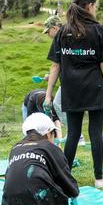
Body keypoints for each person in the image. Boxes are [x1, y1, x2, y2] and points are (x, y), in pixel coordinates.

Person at [2, 112, 103, 205]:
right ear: (48, 133)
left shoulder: (15, 148)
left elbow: (13, 176)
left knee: (28, 191)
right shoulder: (50, 147)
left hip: (11, 201)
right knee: (55, 204)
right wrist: (73, 192)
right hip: (39, 196)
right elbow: (63, 176)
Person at [45, 0, 103, 189]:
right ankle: (99, 178)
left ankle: (64, 178)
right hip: (95, 90)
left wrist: (49, 94)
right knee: (96, 133)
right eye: (95, 5)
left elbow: (55, 66)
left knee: (74, 134)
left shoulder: (62, 33)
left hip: (72, 91)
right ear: (89, 6)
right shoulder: (99, 30)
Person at [42, 15, 86, 146]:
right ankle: (76, 135)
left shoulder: (59, 39)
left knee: (57, 103)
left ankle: (77, 135)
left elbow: (56, 65)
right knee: (66, 107)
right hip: (82, 79)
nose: (48, 35)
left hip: (71, 82)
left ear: (55, 28)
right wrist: (52, 77)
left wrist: (48, 94)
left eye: (48, 31)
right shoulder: (75, 35)